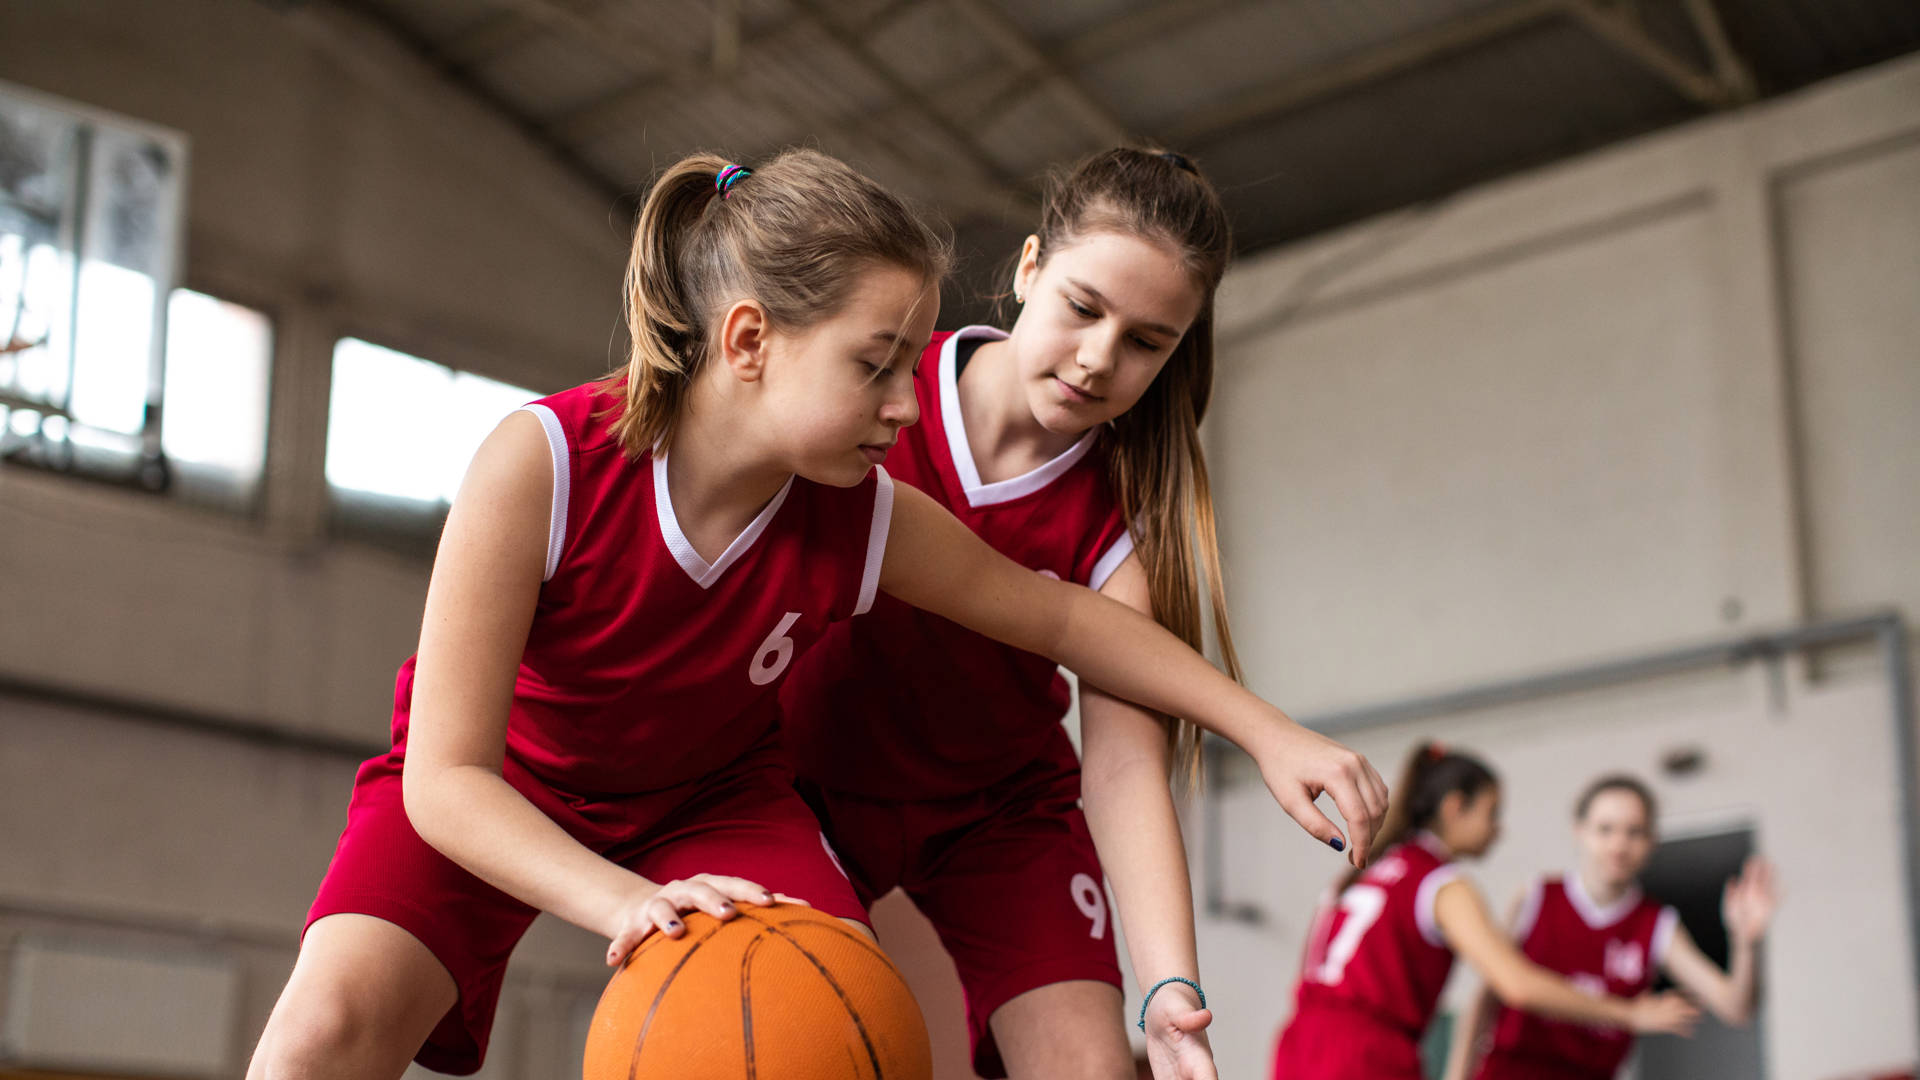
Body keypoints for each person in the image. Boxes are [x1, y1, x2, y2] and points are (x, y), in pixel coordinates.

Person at [246, 146, 1387, 1080]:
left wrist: (1266, 733)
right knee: (317, 1037)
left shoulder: (862, 508)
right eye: (875, 367)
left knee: (823, 1030)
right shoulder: (544, 461)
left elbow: (1066, 626)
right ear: (750, 341)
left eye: (1148, 340)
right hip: (519, 782)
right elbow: (445, 778)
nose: (903, 404)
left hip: (731, 803)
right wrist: (630, 902)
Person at [780, 145, 1280, 1080]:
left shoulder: (1125, 522)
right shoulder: (881, 395)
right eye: (1083, 309)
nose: (1099, 359)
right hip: (802, 780)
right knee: (786, 1042)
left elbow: (1126, 772)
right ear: (1026, 269)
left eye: (1146, 341)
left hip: (998, 809)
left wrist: (1170, 988)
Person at [1273, 744, 1700, 1080]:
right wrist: (1630, 1013)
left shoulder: (1360, 874)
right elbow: (1516, 984)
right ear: (1455, 807)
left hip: (1296, 1047)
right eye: (1492, 813)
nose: (1499, 829)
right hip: (1366, 1059)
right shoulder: (1441, 882)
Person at [1444, 774, 1777, 1080]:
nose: (1618, 845)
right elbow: (1484, 999)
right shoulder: (1535, 897)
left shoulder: (1656, 924)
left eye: (1634, 832)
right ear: (1580, 832)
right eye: (1605, 829)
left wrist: (1746, 942)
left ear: (1651, 841)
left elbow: (1736, 1007)